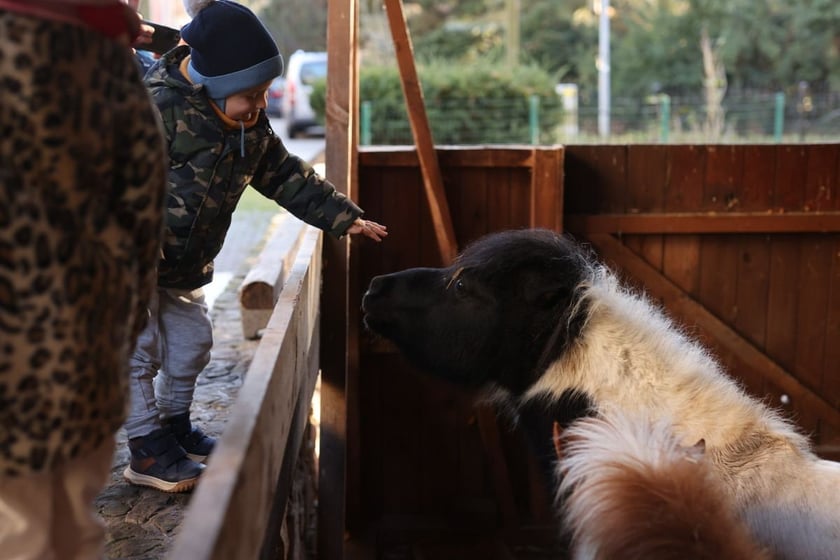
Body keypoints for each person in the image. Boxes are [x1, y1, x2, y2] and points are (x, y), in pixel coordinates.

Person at [122, 0, 388, 493]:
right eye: (252, 94)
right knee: (138, 350)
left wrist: (343, 218)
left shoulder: (247, 126)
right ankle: (145, 448)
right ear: (211, 85)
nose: (262, 104)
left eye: (265, 91)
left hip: (183, 269)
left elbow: (286, 176)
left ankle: (175, 426)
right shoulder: (155, 109)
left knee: (192, 343)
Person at [0, 1, 168, 558]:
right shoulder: (109, 64)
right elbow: (143, 213)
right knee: (61, 525)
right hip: (78, 355)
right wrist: (124, 323)